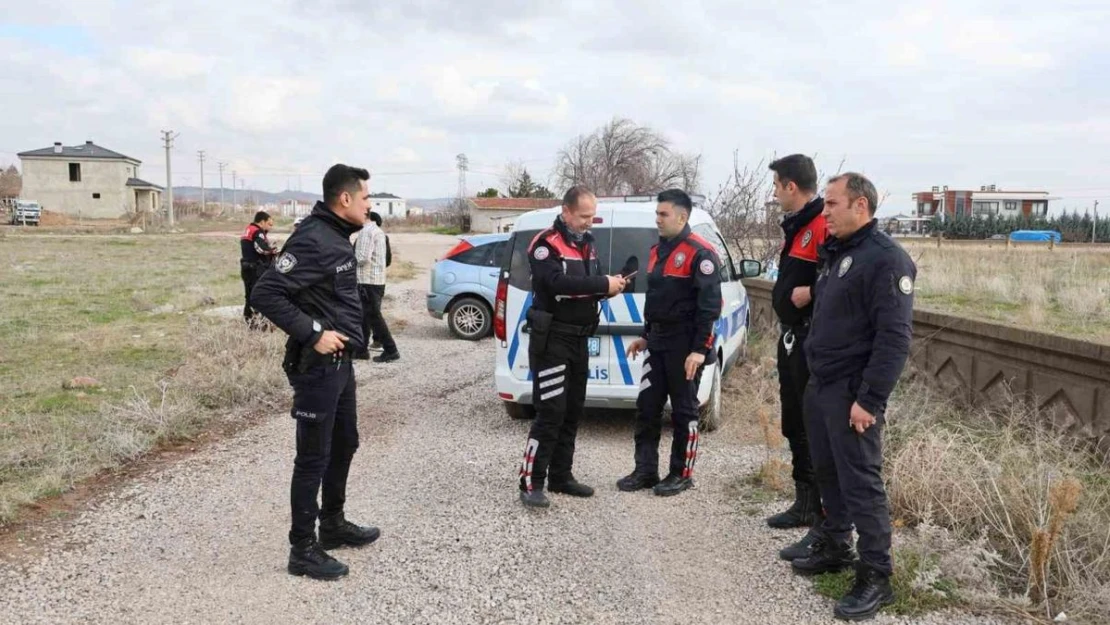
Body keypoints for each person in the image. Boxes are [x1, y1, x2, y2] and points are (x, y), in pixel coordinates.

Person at [790, 172, 916, 621]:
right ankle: (836, 544)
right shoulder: (840, 253)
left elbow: (894, 339)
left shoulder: (886, 260)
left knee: (861, 482)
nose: (824, 213)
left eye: (831, 204)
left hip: (851, 393)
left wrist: (870, 401)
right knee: (828, 472)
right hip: (821, 384)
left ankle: (876, 575)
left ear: (860, 206)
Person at [250, 164, 381, 581]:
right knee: (312, 458)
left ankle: (334, 524)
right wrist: (314, 334)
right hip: (317, 368)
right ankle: (302, 549)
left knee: (345, 443)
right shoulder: (313, 240)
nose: (369, 205)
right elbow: (266, 292)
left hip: (341, 365)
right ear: (344, 199)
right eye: (365, 198)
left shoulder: (337, 237)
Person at [517, 186, 627, 508]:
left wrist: (610, 288)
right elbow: (555, 284)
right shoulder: (545, 244)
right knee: (550, 412)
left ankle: (561, 476)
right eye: (583, 216)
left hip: (581, 339)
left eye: (592, 216)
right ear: (565, 211)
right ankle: (530, 482)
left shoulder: (588, 244)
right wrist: (600, 284)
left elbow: (586, 287)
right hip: (553, 340)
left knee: (572, 410)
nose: (588, 222)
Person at [618, 189, 722, 497]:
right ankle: (646, 470)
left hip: (685, 346)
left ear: (682, 216)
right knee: (647, 408)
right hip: (658, 342)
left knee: (683, 412)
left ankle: (681, 473)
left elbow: (709, 308)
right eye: (657, 214)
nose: (658, 219)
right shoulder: (656, 251)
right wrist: (645, 336)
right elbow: (657, 300)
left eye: (663, 214)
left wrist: (699, 350)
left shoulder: (701, 253)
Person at [765, 156, 829, 556]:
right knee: (793, 422)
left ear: (791, 186)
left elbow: (842, 278)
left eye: (776, 186)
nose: (773, 193)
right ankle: (803, 503)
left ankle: (823, 516)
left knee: (811, 426)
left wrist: (813, 293)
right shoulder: (798, 226)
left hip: (810, 340)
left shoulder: (821, 225)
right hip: (791, 337)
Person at [353, 210, 399, 362]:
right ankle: (361, 350)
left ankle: (391, 350)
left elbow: (361, 258)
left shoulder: (367, 232)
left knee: (373, 317)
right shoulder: (378, 232)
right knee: (365, 317)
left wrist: (345, 259)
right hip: (376, 281)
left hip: (368, 282)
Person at [240, 211, 277, 327]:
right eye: (269, 225)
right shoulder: (257, 231)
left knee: (249, 295)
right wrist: (273, 251)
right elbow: (261, 249)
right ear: (262, 222)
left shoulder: (249, 229)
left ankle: (249, 321)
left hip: (247, 267)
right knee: (258, 294)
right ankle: (258, 323)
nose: (270, 228)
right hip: (255, 269)